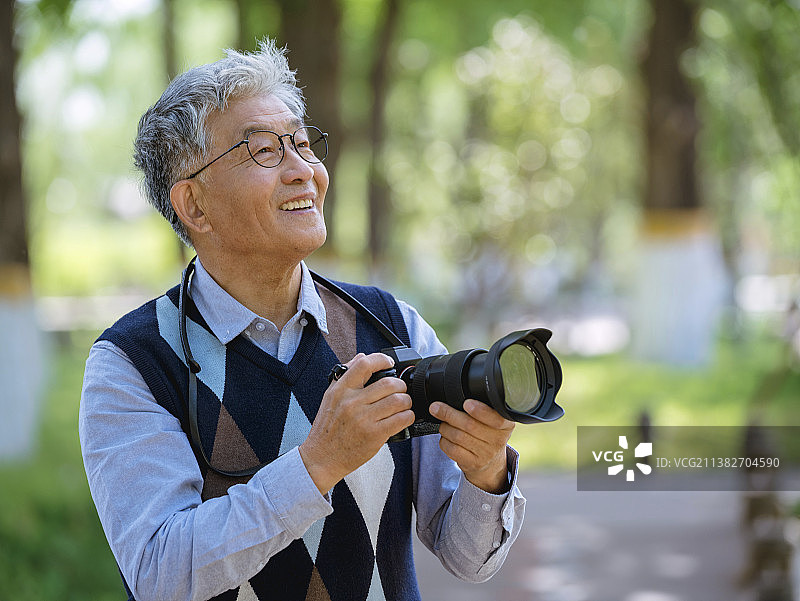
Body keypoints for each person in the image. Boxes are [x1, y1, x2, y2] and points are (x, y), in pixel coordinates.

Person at [79, 39, 525, 601]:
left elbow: (467, 559)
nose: (304, 172)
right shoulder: (132, 364)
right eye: (265, 151)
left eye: (303, 144)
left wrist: (487, 474)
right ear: (194, 205)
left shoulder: (390, 325)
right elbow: (161, 572)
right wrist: (317, 464)